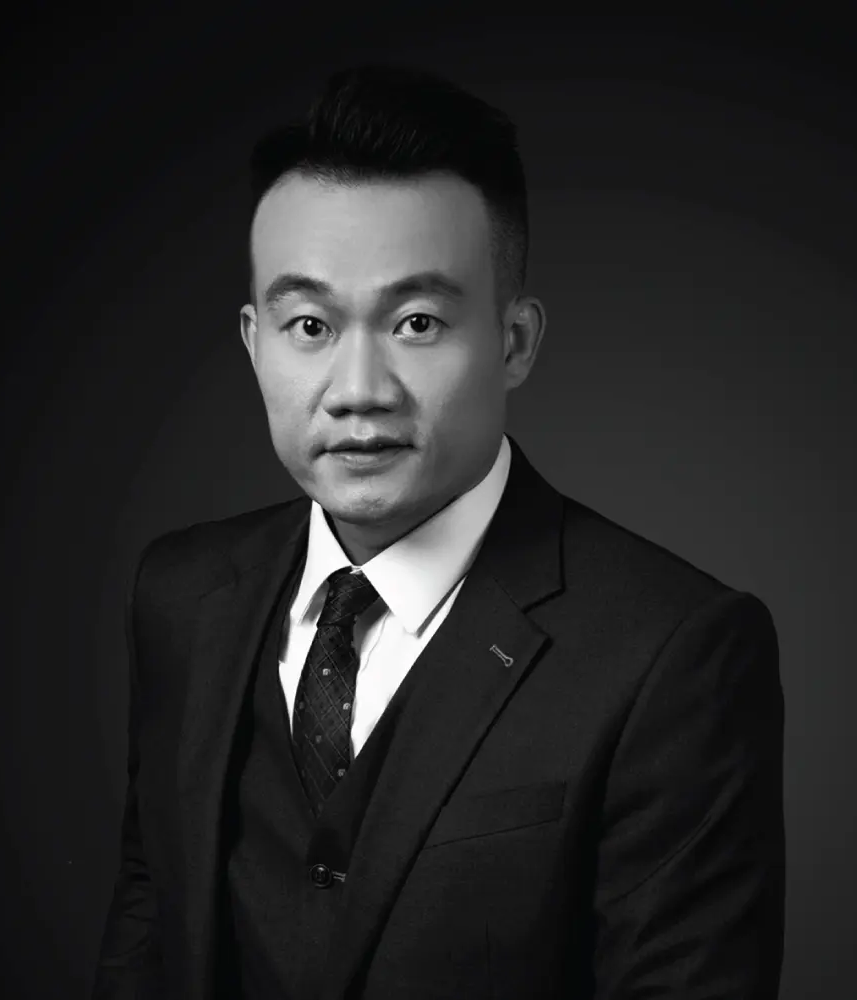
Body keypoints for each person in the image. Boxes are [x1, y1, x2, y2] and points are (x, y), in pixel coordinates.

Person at [92, 63, 785, 1000]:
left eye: (417, 322)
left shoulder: (675, 653)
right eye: (309, 325)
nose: (358, 390)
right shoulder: (181, 593)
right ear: (254, 342)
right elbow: (151, 918)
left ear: (514, 342)